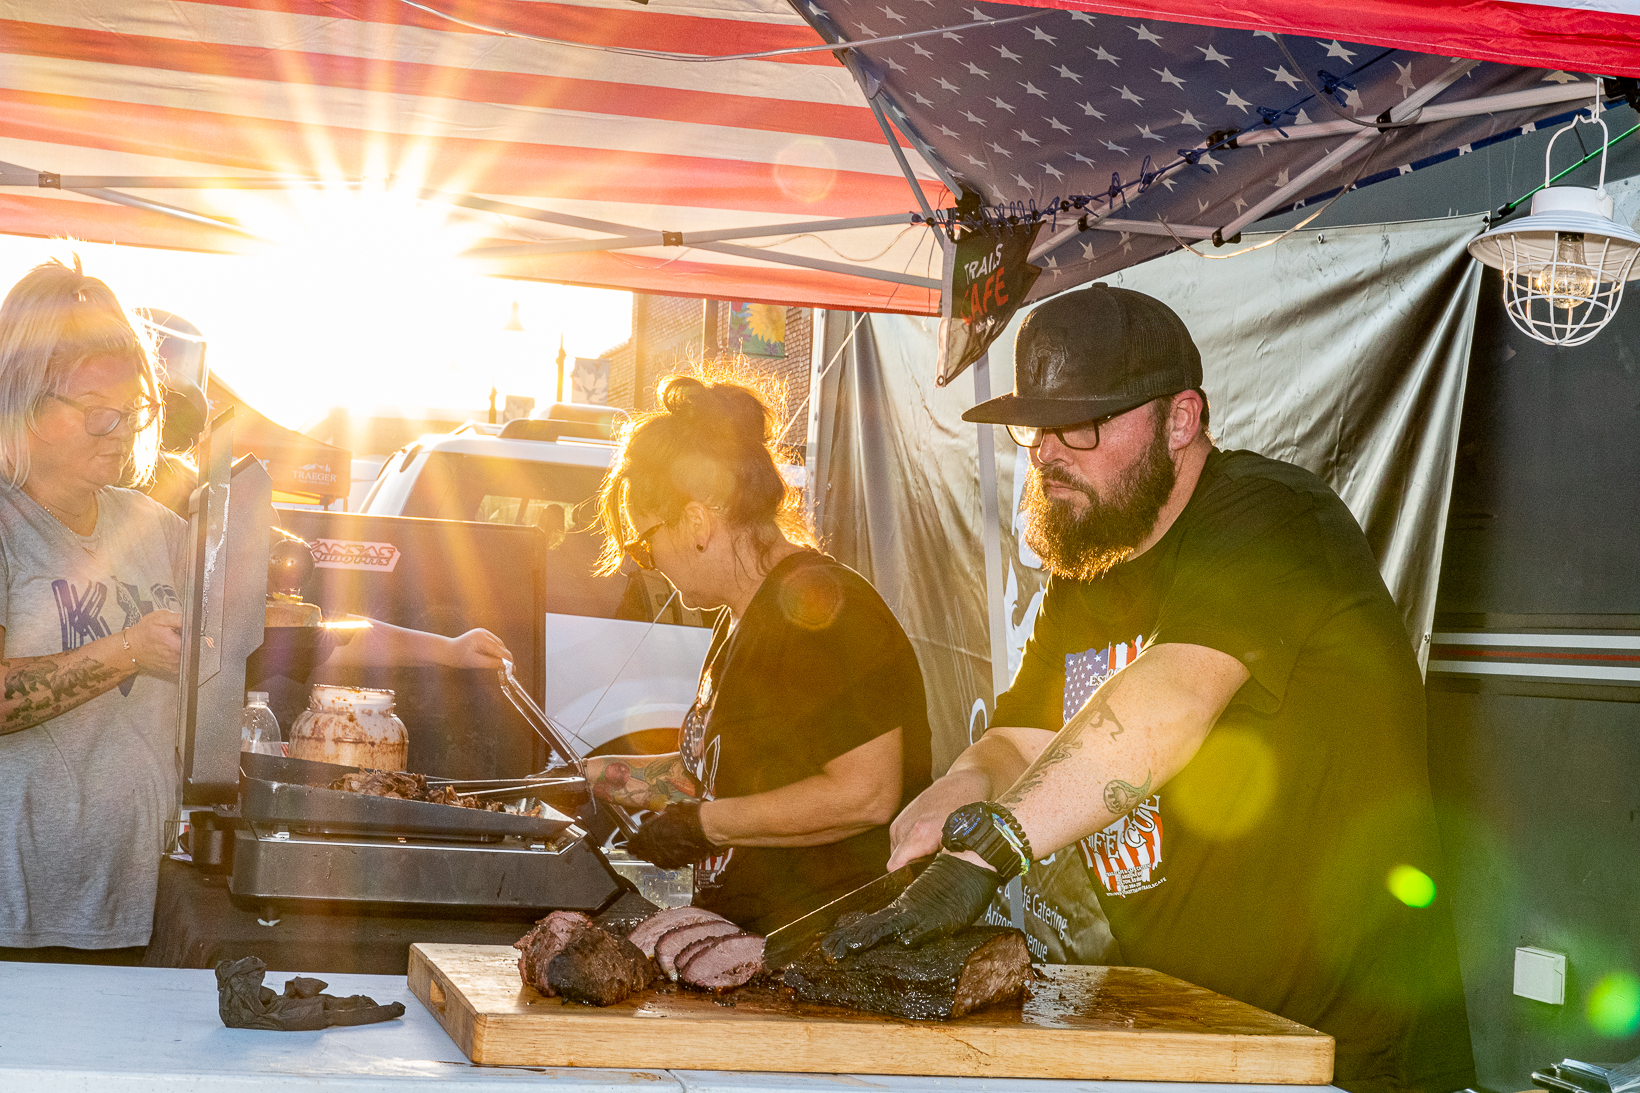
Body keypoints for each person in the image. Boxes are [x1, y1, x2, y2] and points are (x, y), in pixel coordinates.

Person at [826, 286, 1474, 1093]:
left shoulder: (1272, 518)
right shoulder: (1094, 559)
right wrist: (959, 787)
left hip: (1342, 1051)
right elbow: (1022, 736)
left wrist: (986, 850)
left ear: (1180, 419)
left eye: (1081, 427)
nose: (1047, 455)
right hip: (1193, 1034)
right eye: (1035, 432)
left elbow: (1167, 700)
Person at [0, 259, 509, 960]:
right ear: (25, 402)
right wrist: (127, 650)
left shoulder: (150, 527)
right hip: (18, 914)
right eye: (98, 414)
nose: (120, 432)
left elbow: (294, 632)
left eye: (135, 412)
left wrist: (446, 649)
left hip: (132, 901)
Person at [584, 372, 932, 935]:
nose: (645, 564)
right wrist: (598, 780)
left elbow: (866, 793)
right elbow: (724, 773)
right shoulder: (740, 616)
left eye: (644, 544)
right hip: (750, 945)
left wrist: (705, 826)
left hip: (825, 949)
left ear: (697, 522)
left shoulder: (821, 609)